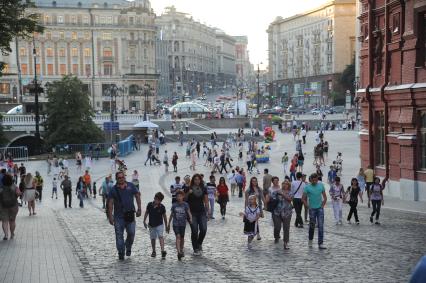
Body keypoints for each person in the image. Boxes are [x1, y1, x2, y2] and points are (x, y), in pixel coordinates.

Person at [108, 171, 142, 260]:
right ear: (116, 179)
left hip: (130, 215)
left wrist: (139, 208)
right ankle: (121, 252)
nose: (121, 179)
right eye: (119, 178)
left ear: (124, 177)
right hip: (118, 217)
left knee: (131, 233)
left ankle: (128, 246)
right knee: (119, 235)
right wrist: (110, 216)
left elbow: (137, 195)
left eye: (122, 177)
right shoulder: (113, 190)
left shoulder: (131, 186)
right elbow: (110, 203)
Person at [185, 174, 209, 256]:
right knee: (194, 231)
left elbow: (206, 200)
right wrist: (188, 193)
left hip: (202, 212)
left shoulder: (203, 188)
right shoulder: (189, 188)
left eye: (198, 179)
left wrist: (208, 211)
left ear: (200, 180)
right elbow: (184, 199)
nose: (197, 181)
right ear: (193, 180)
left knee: (203, 229)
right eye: (195, 179)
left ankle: (199, 243)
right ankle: (195, 248)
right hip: (192, 213)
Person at [302, 173, 327, 249]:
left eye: (316, 180)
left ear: (317, 179)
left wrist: (322, 205)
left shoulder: (321, 186)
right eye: (313, 180)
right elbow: (303, 198)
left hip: (320, 208)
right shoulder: (307, 187)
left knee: (321, 226)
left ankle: (320, 243)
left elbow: (325, 197)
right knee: (312, 226)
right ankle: (310, 240)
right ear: (311, 179)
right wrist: (308, 206)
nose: (314, 181)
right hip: (312, 209)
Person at [167, 190, 192, 260]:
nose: (179, 197)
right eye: (177, 196)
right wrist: (168, 224)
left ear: (183, 197)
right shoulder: (174, 205)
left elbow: (189, 212)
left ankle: (181, 249)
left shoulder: (185, 204)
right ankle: (178, 252)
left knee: (182, 238)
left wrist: (191, 218)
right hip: (176, 224)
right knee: (178, 236)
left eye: (180, 196)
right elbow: (171, 215)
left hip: (183, 224)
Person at [144, 192, 167, 258]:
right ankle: (154, 251)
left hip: (159, 224)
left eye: (158, 200)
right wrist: (144, 221)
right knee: (153, 238)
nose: (156, 200)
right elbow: (146, 212)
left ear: (160, 201)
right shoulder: (149, 205)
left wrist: (166, 225)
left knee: (160, 236)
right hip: (151, 225)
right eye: (155, 199)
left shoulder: (162, 207)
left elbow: (164, 216)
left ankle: (162, 251)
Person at [271, 180, 293, 249]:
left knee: (286, 228)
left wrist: (282, 194)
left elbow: (290, 200)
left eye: (286, 184)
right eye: (283, 184)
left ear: (289, 185)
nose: (285, 185)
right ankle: (276, 236)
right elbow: (271, 198)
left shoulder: (291, 192)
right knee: (277, 227)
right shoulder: (277, 191)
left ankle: (286, 243)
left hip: (287, 212)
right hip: (277, 212)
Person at [0, 174, 21, 240]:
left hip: (3, 206)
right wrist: (16, 196)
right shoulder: (15, 186)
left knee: (4, 221)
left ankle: (6, 235)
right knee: (12, 220)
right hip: (13, 205)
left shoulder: (1, 187)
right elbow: (18, 193)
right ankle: (12, 234)